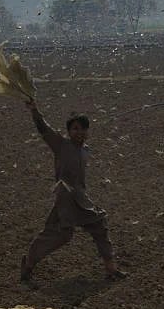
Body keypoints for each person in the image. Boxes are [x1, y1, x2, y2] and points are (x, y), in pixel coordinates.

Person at [19, 100, 126, 283]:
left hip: (81, 198)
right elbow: (44, 129)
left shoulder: (85, 150)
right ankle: (28, 264)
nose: (79, 132)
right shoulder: (61, 145)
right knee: (60, 235)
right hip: (66, 199)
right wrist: (35, 111)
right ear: (69, 131)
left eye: (83, 129)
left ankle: (111, 269)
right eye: (75, 129)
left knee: (99, 226)